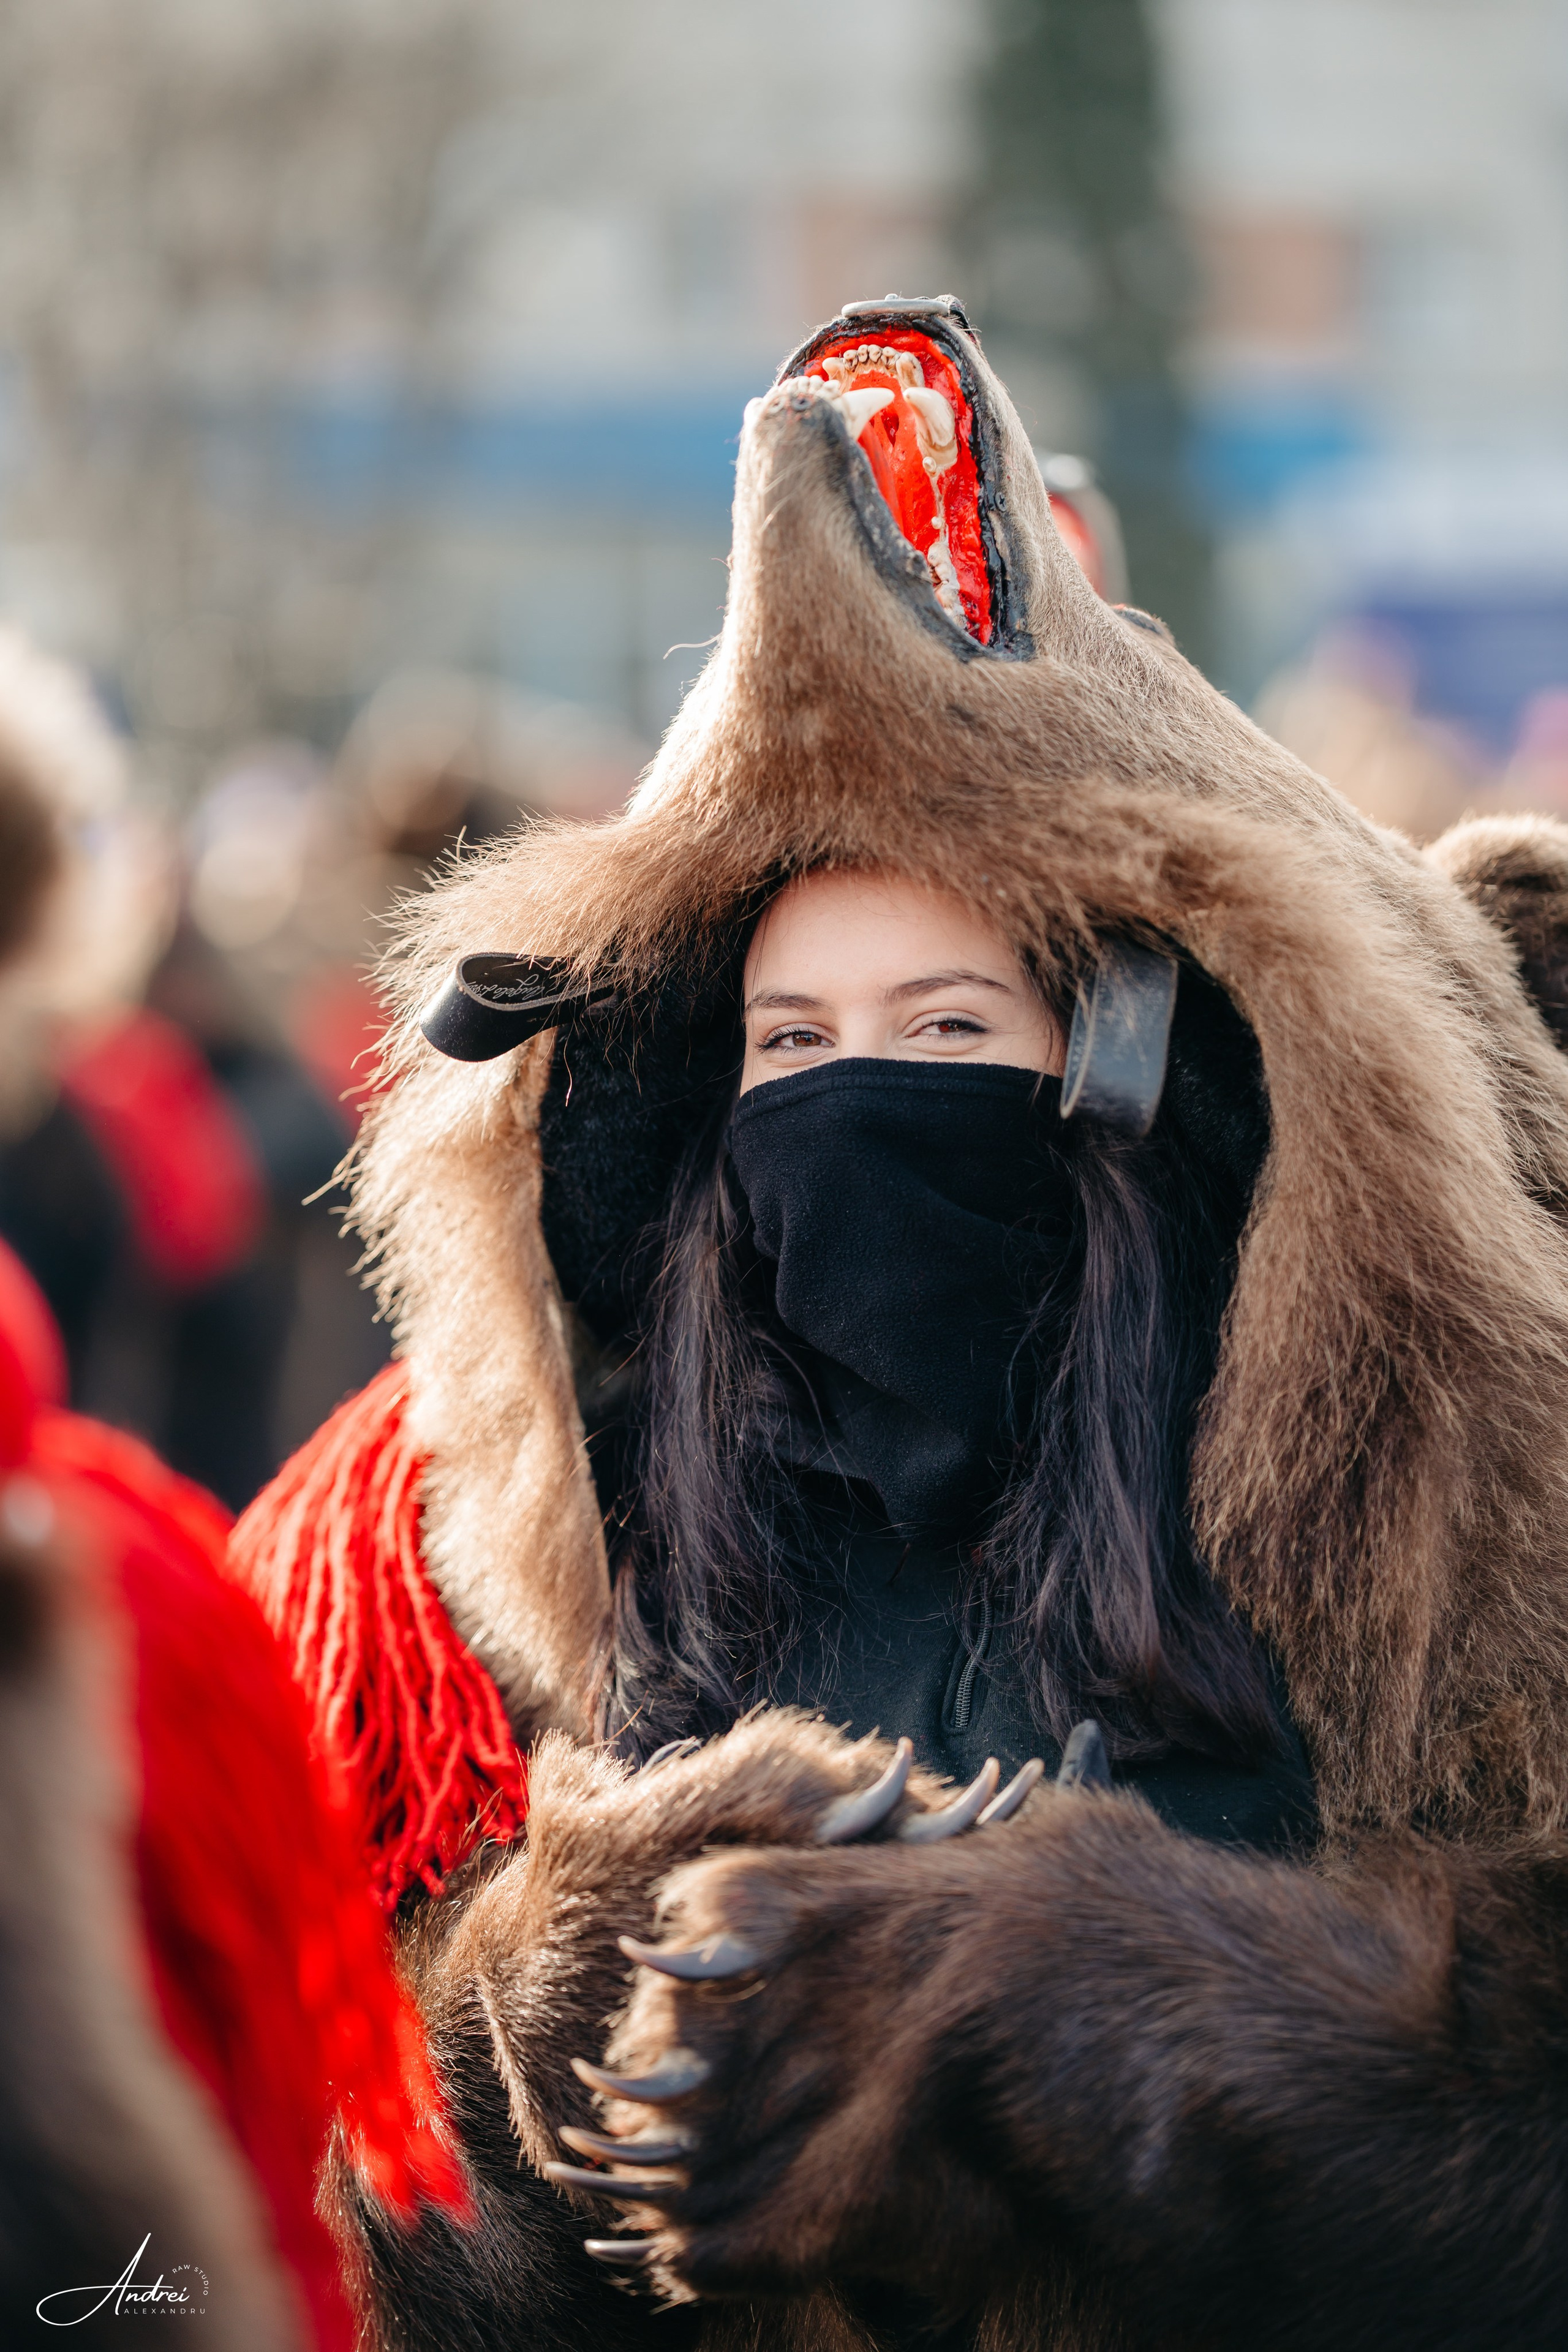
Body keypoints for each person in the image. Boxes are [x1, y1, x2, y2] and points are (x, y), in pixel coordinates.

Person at [233, 299, 1568, 2352]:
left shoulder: (1459, 1547)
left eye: (951, 1032)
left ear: (1135, 1073)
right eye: (794, 1043)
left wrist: (1151, 2012)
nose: (862, 1099)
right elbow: (302, 2231)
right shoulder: (470, 1564)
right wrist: (535, 2027)